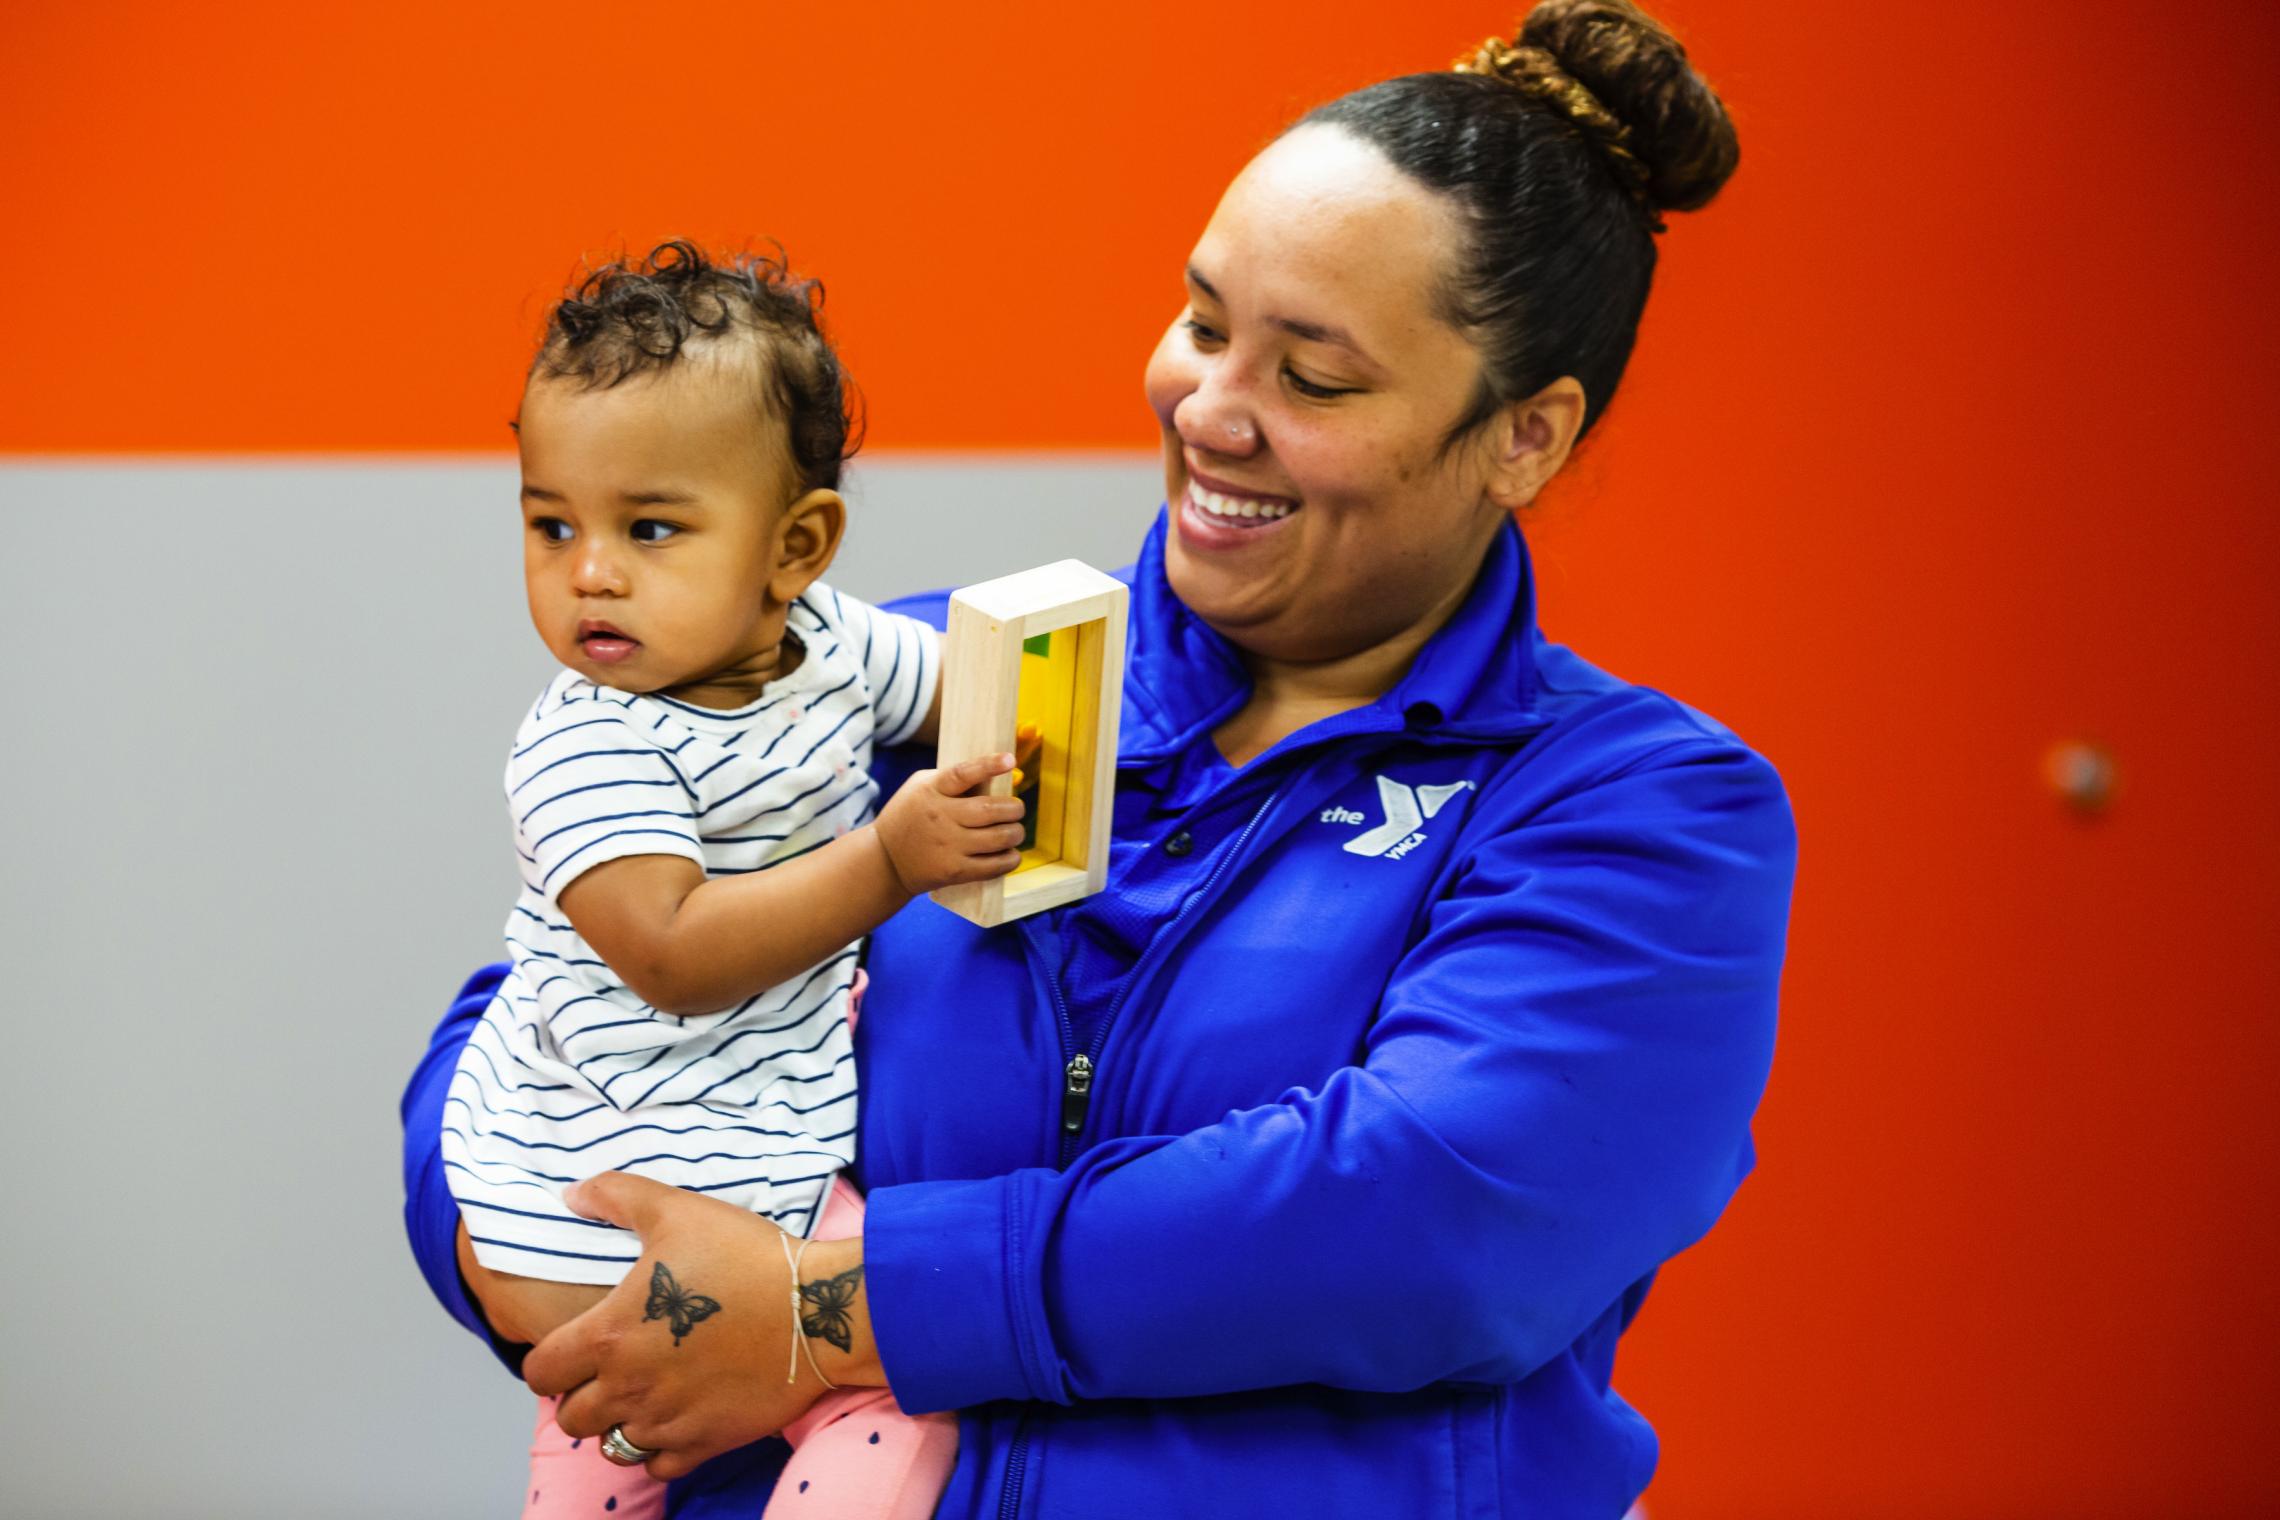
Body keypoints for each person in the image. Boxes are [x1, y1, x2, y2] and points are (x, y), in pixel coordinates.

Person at [400, 3, 1797, 1515]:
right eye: (1204, 326)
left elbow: (1419, 1222)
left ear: (1524, 436)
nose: (1209, 409)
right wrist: (528, 1248)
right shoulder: (914, 679)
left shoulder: (1635, 813)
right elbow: (556, 996)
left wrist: (827, 1322)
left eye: (1313, 380)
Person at [447, 242, 1023, 1519]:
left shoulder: (829, 646)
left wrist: (1073, 719)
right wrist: (891, 857)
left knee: (605, 1438)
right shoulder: (589, 739)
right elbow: (675, 950)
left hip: (715, 1149)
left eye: (648, 527)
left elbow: (961, 689)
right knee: (898, 1366)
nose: (589, 570)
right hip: (604, 1180)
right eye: (552, 523)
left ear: (797, 547)